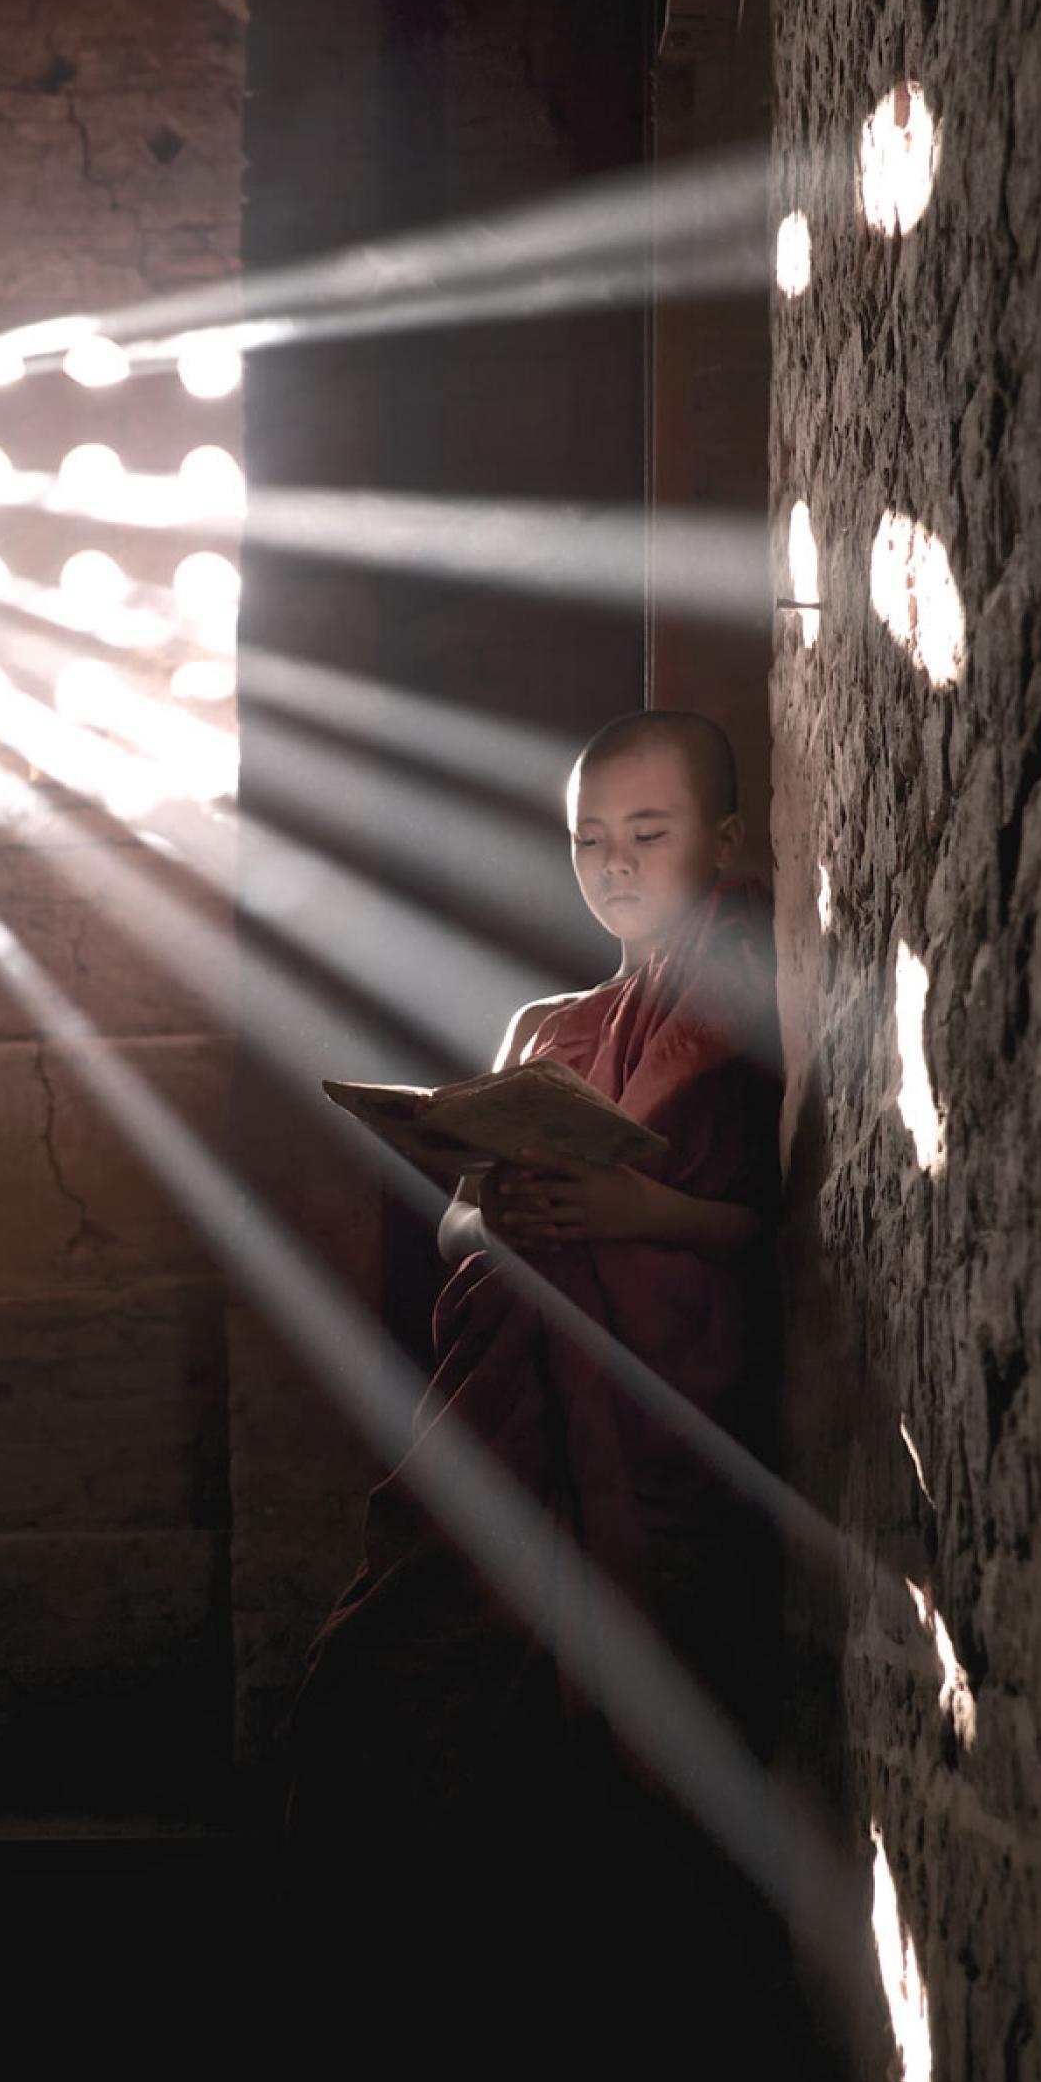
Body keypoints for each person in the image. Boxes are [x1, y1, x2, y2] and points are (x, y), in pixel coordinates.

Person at [283, 709, 790, 1966]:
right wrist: (495, 1216)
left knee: (635, 1742)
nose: (613, 863)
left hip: (658, 1412)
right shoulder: (544, 1027)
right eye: (587, 838)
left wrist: (639, 1213)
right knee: (400, 1670)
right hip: (509, 1404)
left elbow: (775, 1230)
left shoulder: (752, 1002)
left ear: (724, 838)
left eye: (648, 833)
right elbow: (458, 1223)